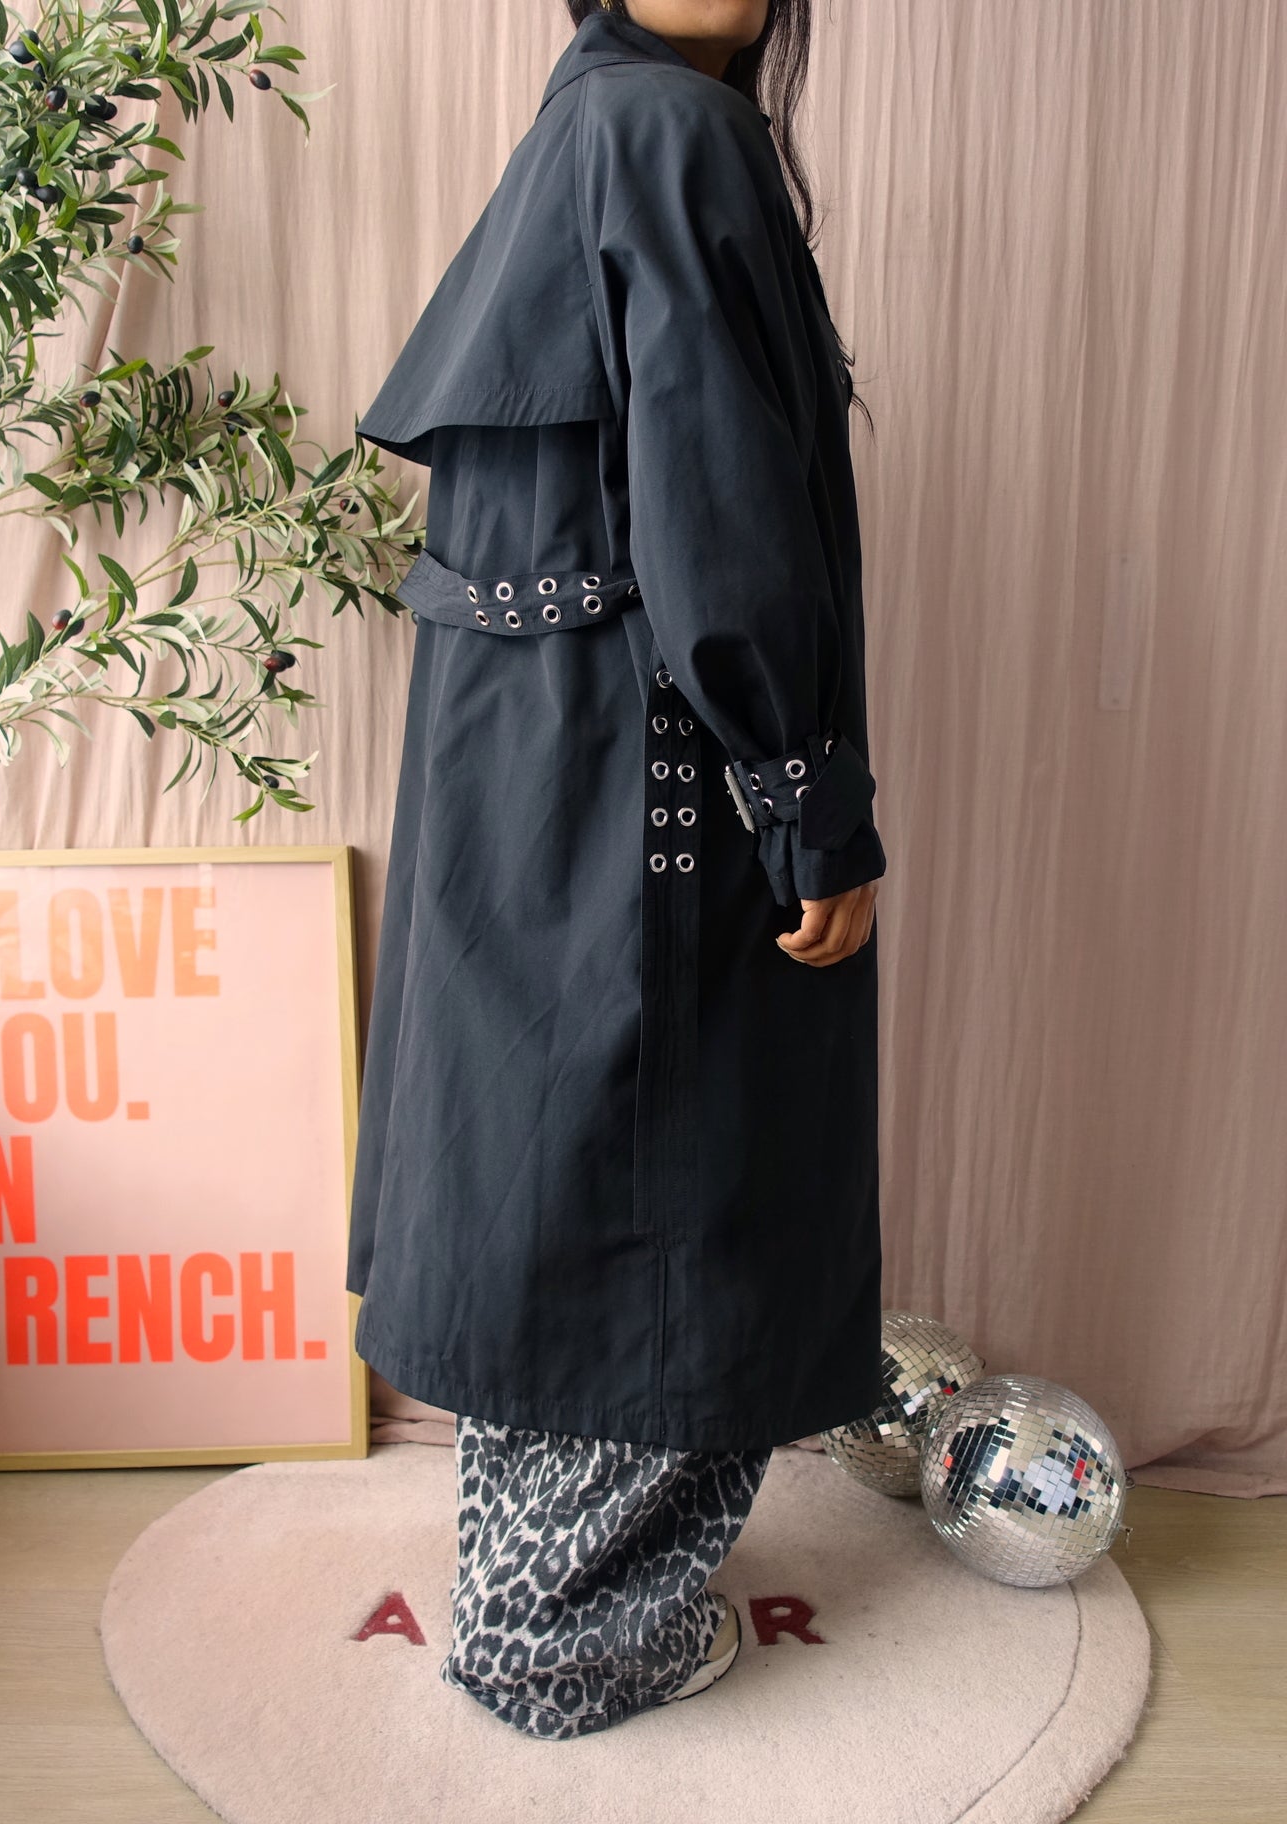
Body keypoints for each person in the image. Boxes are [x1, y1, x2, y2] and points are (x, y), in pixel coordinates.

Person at [346, 0, 887, 1739]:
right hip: (653, 765)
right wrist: (806, 799)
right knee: (674, 1176)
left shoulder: (589, 122)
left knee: (564, 1164)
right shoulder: (673, 129)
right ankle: (573, 1641)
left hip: (537, 763)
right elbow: (719, 513)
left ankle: (541, 1593)